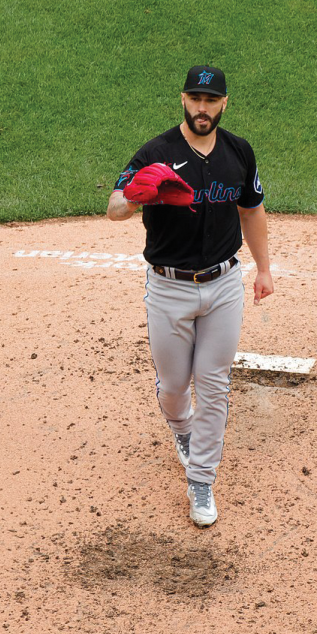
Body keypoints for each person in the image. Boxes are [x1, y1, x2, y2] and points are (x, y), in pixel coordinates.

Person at [107, 65, 274, 527]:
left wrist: (263, 268)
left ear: (224, 103)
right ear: (183, 98)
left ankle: (201, 480)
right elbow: (114, 206)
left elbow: (252, 210)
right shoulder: (157, 151)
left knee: (215, 385)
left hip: (222, 286)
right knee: (176, 386)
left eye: (211, 100)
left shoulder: (239, 152)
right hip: (168, 288)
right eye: (195, 99)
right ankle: (181, 429)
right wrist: (139, 196)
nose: (203, 108)